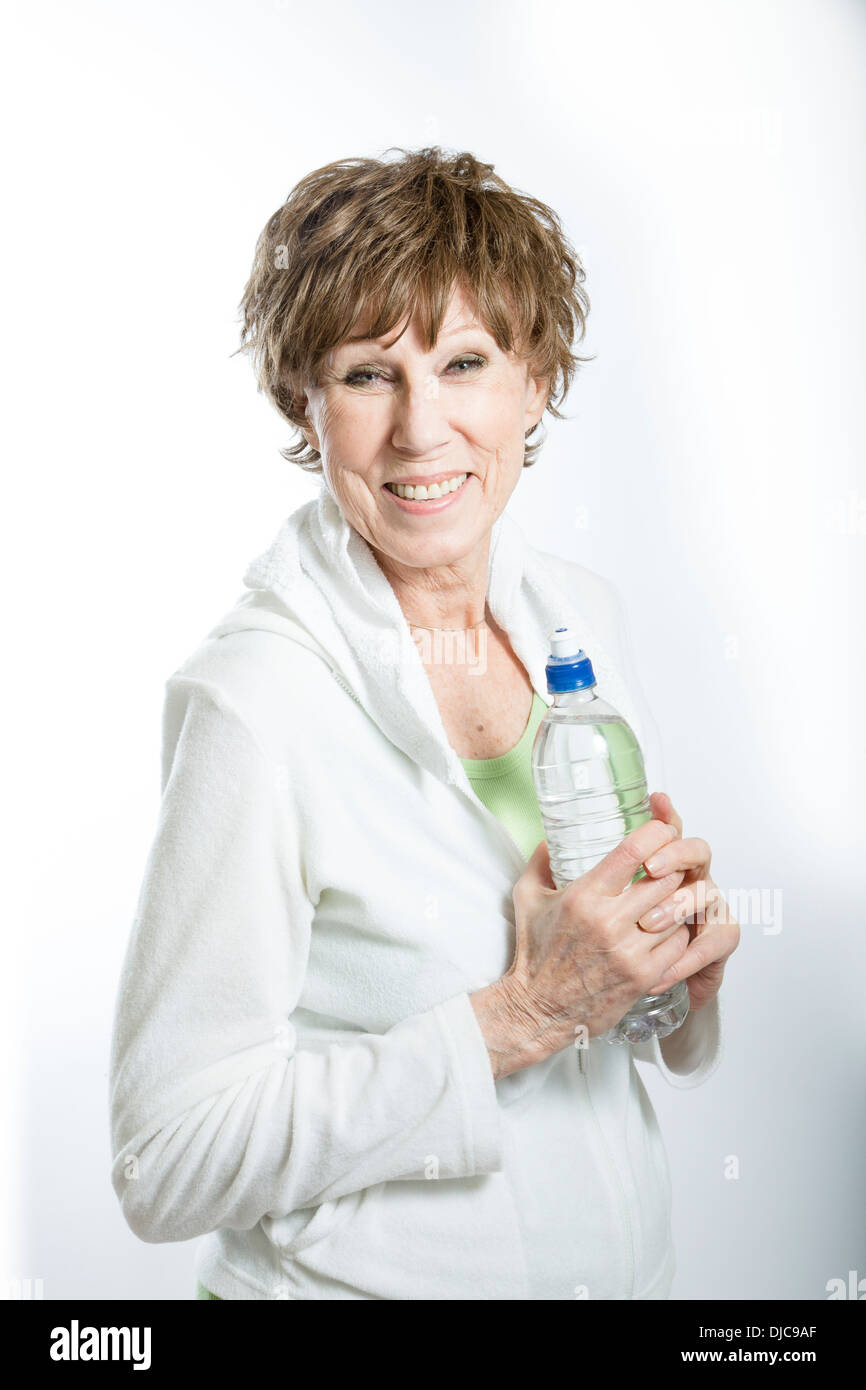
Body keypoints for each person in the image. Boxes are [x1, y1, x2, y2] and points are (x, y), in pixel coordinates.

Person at [108, 146, 740, 1301]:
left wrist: (674, 980)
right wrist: (524, 1014)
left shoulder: (577, 621)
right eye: (365, 373)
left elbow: (627, 1039)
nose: (421, 429)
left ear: (534, 381)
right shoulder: (253, 702)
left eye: (464, 361)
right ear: (302, 397)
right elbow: (165, 1159)